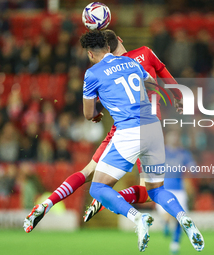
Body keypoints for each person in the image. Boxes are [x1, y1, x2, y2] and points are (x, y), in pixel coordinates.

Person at [23, 29, 183, 234]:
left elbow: (92, 110)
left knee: (88, 172)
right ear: (116, 41)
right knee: (146, 192)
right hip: (144, 128)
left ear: (94, 52)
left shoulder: (99, 71)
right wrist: (177, 97)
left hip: (121, 128)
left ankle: (47, 203)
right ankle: (109, 201)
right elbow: (160, 82)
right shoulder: (141, 56)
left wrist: (97, 113)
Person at [79, 30, 203, 251]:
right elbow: (153, 85)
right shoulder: (135, 64)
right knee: (155, 190)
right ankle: (183, 217)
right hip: (153, 127)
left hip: (129, 131)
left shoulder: (92, 74)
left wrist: (99, 113)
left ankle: (137, 218)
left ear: (90, 53)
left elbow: (89, 114)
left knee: (97, 189)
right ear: (111, 46)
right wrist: (175, 97)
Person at [156, 130, 196, 254]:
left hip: (179, 190)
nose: (174, 138)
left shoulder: (183, 153)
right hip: (163, 189)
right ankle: (166, 224)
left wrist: (192, 171)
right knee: (167, 216)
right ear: (167, 138)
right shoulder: (161, 152)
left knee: (181, 218)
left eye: (176, 136)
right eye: (171, 136)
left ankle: (175, 244)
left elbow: (194, 168)